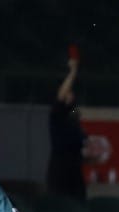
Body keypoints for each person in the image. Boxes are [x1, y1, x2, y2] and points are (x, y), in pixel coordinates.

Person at [46, 54, 89, 200]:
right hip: (60, 168)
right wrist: (73, 71)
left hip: (75, 168)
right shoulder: (57, 113)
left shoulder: (74, 117)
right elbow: (61, 95)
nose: (70, 94)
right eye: (68, 92)